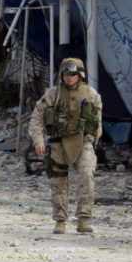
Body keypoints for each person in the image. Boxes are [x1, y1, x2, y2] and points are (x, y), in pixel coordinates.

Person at [28, 57, 102, 234]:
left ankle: (84, 219)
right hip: (58, 143)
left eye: (73, 74)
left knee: (86, 177)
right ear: (62, 75)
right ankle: (60, 220)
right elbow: (37, 116)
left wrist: (94, 141)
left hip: (83, 142)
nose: (69, 78)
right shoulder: (53, 94)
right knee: (58, 182)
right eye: (66, 74)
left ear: (80, 75)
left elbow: (97, 120)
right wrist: (38, 140)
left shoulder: (91, 94)